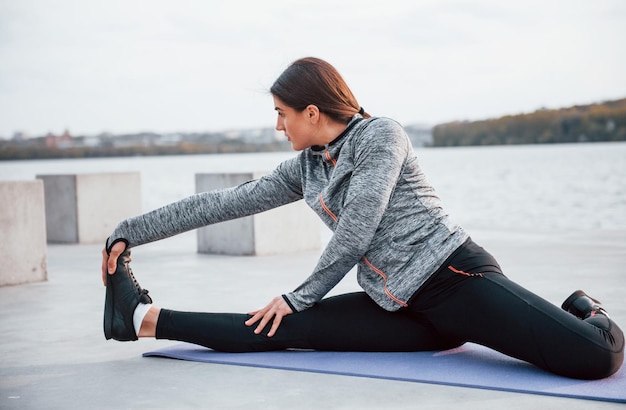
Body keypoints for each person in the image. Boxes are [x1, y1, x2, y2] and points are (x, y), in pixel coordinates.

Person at [101, 57, 624, 380]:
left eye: (282, 113)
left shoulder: (382, 136)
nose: (277, 125)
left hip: (456, 280)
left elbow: (359, 227)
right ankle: (144, 320)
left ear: (312, 112)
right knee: (281, 329)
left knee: (595, 358)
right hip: (400, 307)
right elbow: (223, 203)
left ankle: (584, 307)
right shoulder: (305, 167)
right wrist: (131, 231)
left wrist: (299, 292)